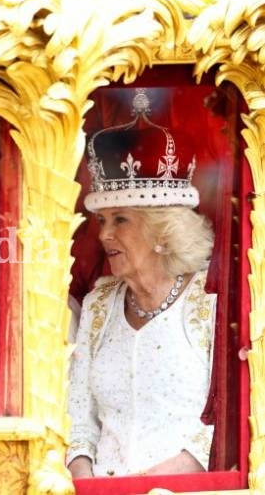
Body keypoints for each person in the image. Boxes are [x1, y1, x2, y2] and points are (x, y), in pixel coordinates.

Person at [67, 90, 216, 478]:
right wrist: (85, 482)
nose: (103, 236)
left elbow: (216, 429)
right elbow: (79, 421)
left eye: (120, 220)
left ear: (161, 231)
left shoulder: (209, 302)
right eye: (102, 221)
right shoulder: (99, 304)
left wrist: (147, 486)